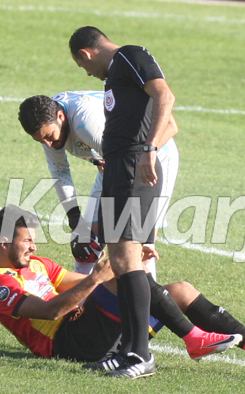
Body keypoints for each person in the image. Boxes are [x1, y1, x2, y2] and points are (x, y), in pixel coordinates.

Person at [0, 206, 245, 377]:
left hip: (89, 327)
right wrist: (98, 280)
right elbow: (52, 311)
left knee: (178, 290)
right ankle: (193, 339)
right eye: (27, 241)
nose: (33, 246)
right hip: (67, 343)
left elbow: (73, 288)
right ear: (4, 242)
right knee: (124, 274)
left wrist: (108, 279)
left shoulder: (36, 263)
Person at [67, 26, 178, 378]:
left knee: (129, 257)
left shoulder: (130, 55)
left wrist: (149, 149)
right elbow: (166, 121)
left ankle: (141, 355)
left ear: (86, 54)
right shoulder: (114, 75)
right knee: (117, 257)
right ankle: (128, 350)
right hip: (117, 168)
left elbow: (166, 97)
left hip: (133, 165)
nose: (87, 73)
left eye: (82, 66)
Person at [17, 91, 179, 278]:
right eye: (40, 140)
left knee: (138, 246)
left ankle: (146, 302)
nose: (48, 144)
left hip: (150, 158)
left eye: (50, 136)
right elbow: (60, 171)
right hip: (113, 161)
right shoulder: (48, 125)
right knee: (86, 246)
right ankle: (81, 304)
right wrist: (75, 217)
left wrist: (144, 229)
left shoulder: (86, 123)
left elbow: (130, 162)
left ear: (60, 117)